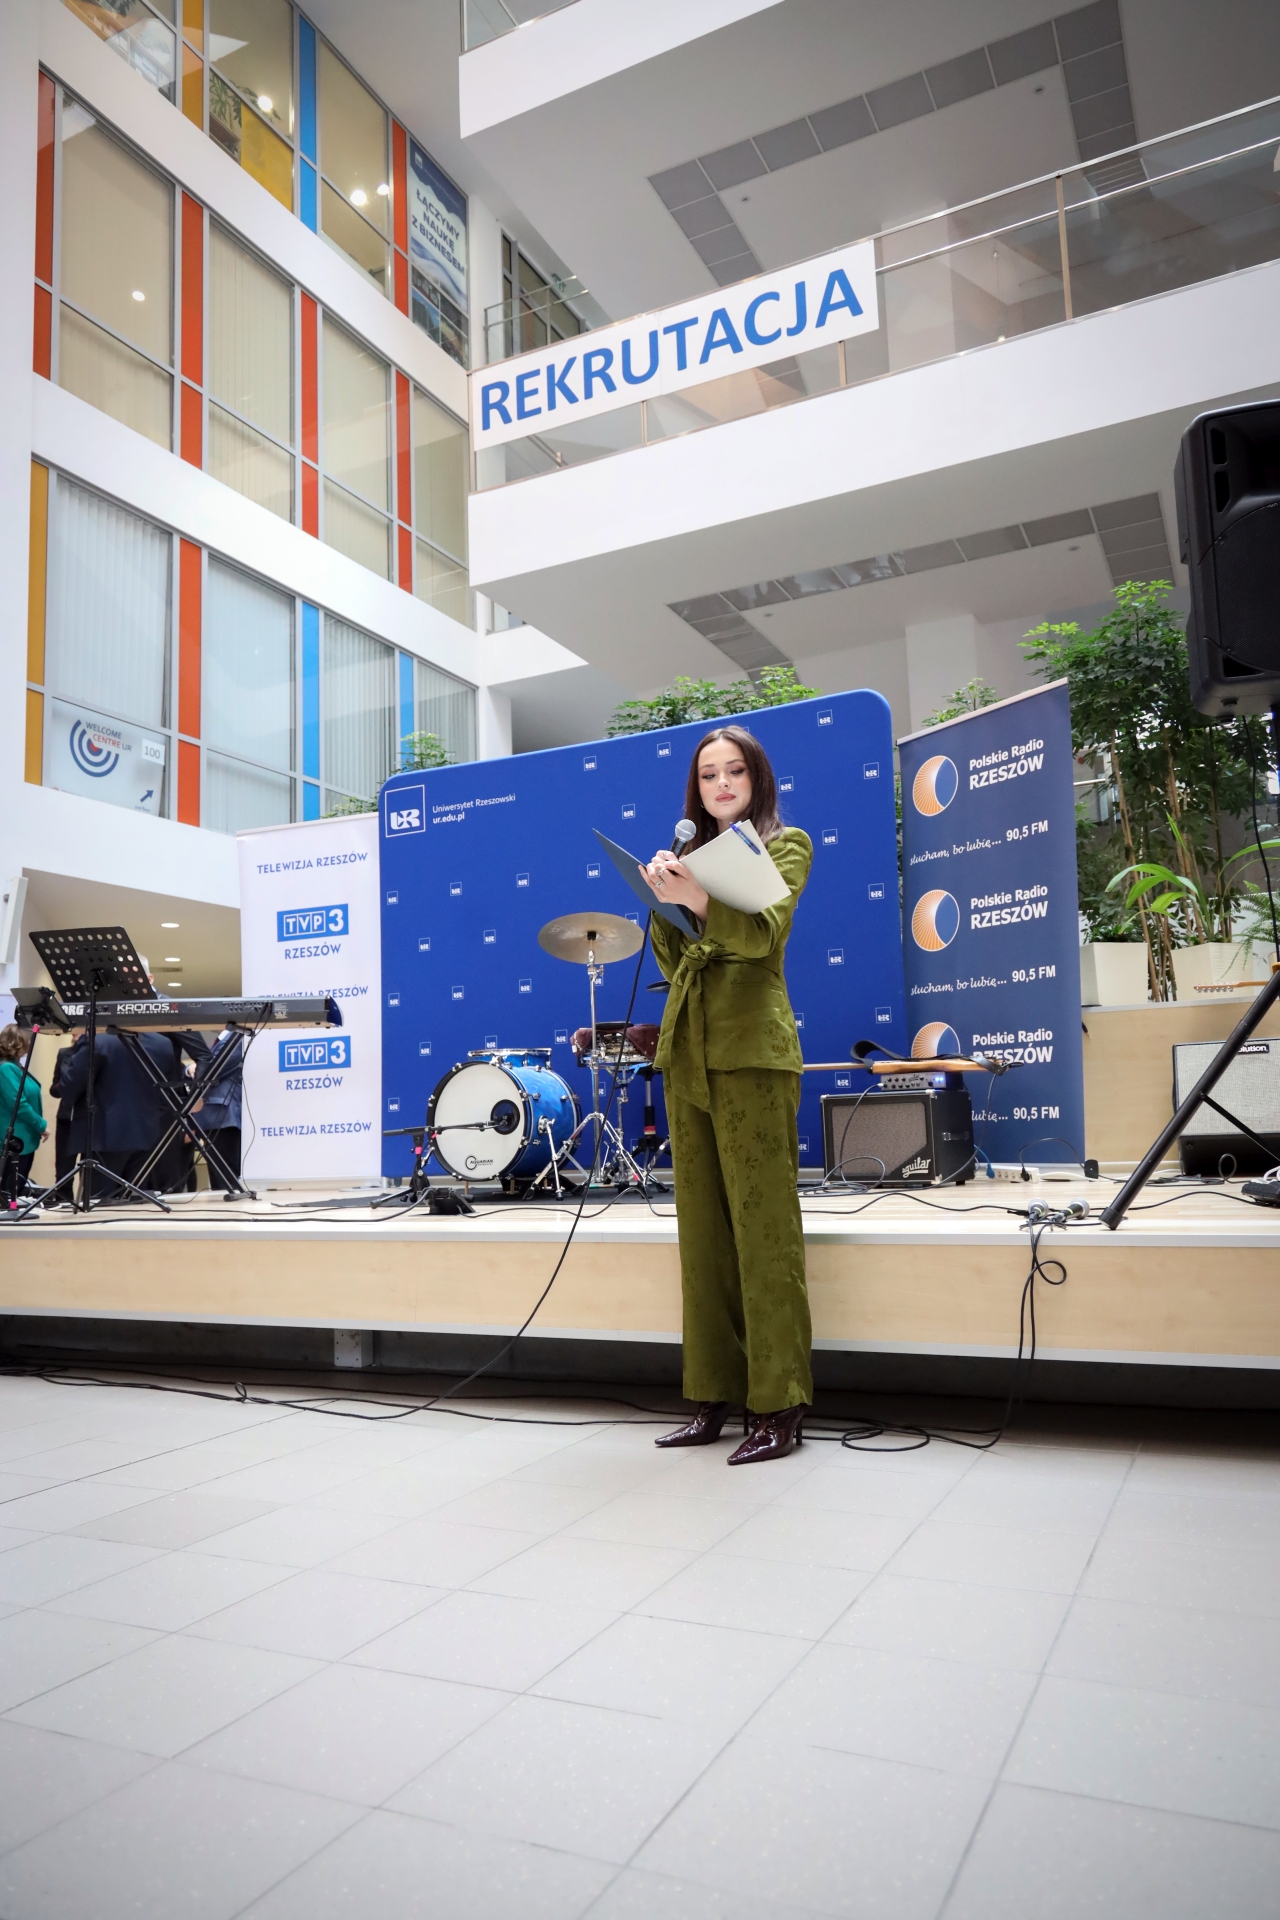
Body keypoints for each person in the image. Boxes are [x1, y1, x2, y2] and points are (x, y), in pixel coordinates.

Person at [641, 726, 813, 1464]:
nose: (720, 784)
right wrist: (665, 898)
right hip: (690, 1052)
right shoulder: (687, 856)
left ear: (756, 779)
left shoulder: (785, 845)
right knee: (703, 1237)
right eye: (708, 774)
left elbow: (763, 936)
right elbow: (674, 956)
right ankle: (711, 1397)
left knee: (763, 1230)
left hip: (752, 1053)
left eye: (733, 771)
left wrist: (700, 900)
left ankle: (778, 1407)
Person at [55, 1027, 185, 1198]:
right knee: (134, 1200)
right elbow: (168, 1090)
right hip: (146, 1133)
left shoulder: (96, 1040)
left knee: (99, 1203)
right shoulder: (162, 1043)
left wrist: (63, 1088)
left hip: (104, 1135)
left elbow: (71, 1085)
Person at [0, 1024, 48, 1201]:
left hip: (24, 1138)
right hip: (13, 1140)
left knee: (16, 1191)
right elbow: (18, 1103)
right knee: (9, 1193)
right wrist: (41, 1125)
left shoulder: (15, 1066)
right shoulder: (6, 1069)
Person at [193, 1027, 244, 1190]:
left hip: (224, 1117)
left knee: (225, 1178)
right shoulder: (226, 1040)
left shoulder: (236, 1039)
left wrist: (191, 1069)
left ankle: (230, 1203)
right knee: (220, 1176)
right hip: (217, 1117)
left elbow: (211, 1071)